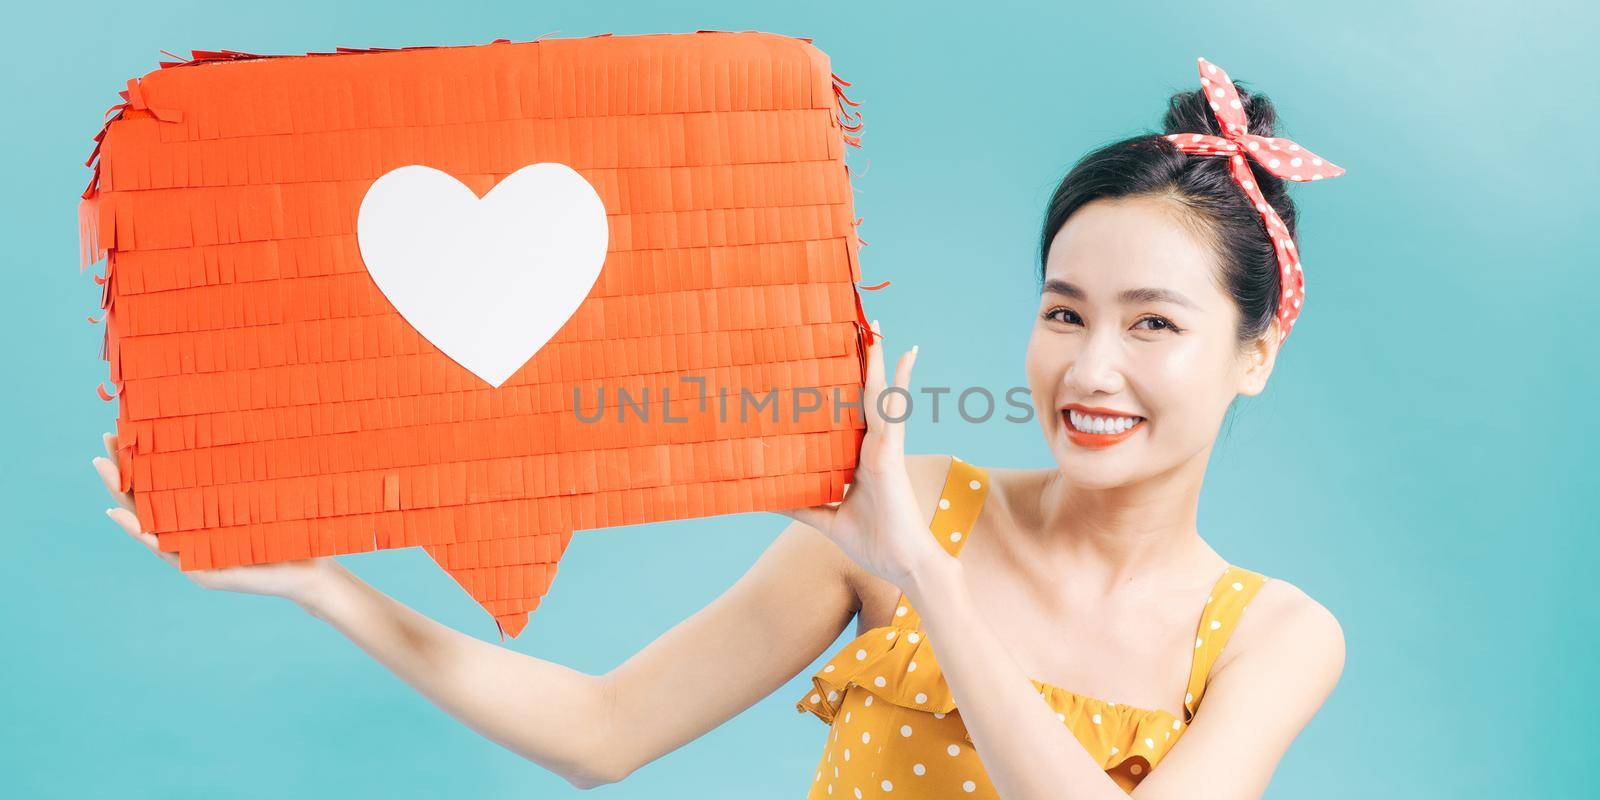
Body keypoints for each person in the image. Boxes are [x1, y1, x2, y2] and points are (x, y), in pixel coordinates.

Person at [90, 57, 1345, 798]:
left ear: (1256, 352)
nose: (1092, 365)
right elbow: (601, 729)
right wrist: (329, 588)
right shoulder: (908, 506)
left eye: (1153, 324)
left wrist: (926, 580)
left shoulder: (1276, 635)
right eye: (1064, 310)